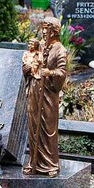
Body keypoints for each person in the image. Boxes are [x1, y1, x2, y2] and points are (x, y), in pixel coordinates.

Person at [23, 17, 68, 177]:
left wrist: (50, 72)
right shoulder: (39, 46)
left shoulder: (60, 50)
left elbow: (62, 72)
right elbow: (30, 61)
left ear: (54, 31)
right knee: (33, 126)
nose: (43, 32)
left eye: (47, 29)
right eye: (42, 29)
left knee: (48, 128)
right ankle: (33, 161)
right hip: (35, 89)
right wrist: (30, 66)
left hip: (48, 93)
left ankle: (50, 164)